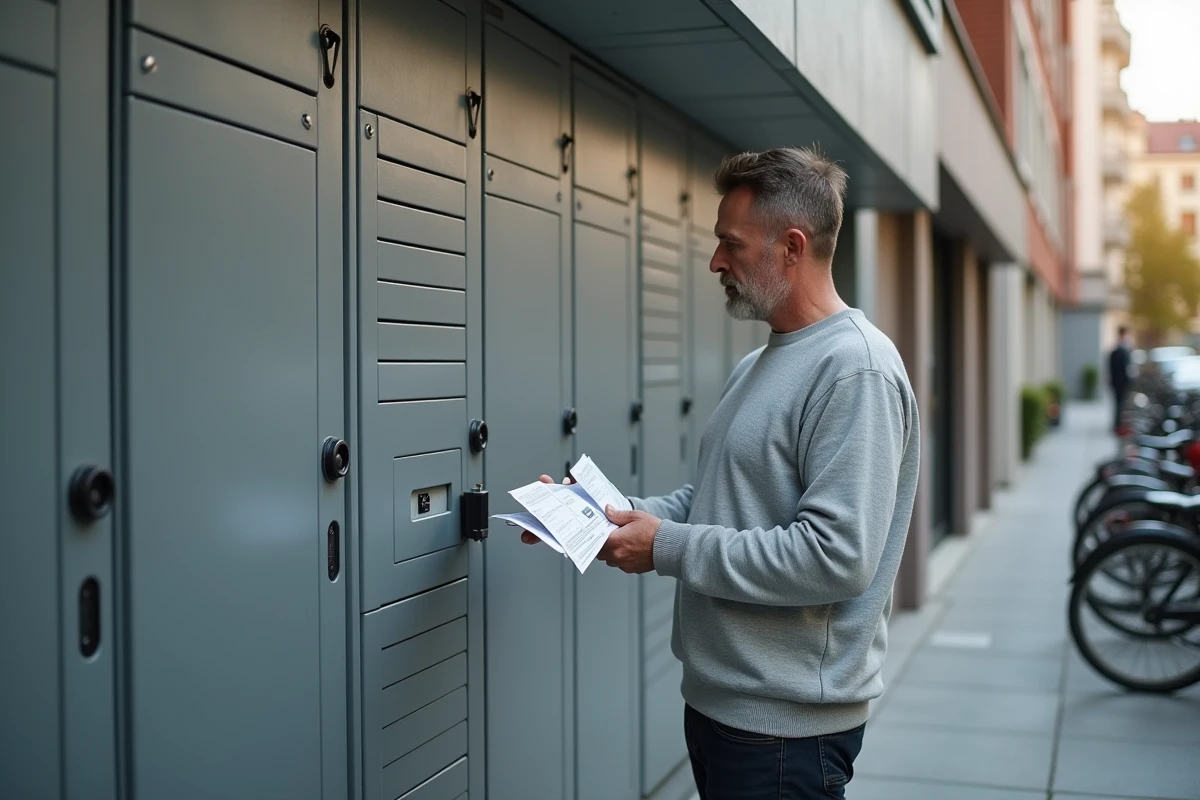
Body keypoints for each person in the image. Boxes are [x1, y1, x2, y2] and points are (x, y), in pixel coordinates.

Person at [524, 147, 920, 799]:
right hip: (725, 710)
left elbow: (836, 558)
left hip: (786, 733)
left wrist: (665, 547)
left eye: (729, 244)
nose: (715, 262)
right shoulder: (764, 361)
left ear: (791, 247)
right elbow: (715, 500)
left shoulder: (856, 370)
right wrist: (598, 513)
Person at [1108, 327, 1133, 434]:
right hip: (1120, 383)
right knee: (1119, 404)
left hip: (1118, 382)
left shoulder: (1120, 350)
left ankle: (1118, 425)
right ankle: (1118, 426)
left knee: (1119, 405)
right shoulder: (1120, 350)